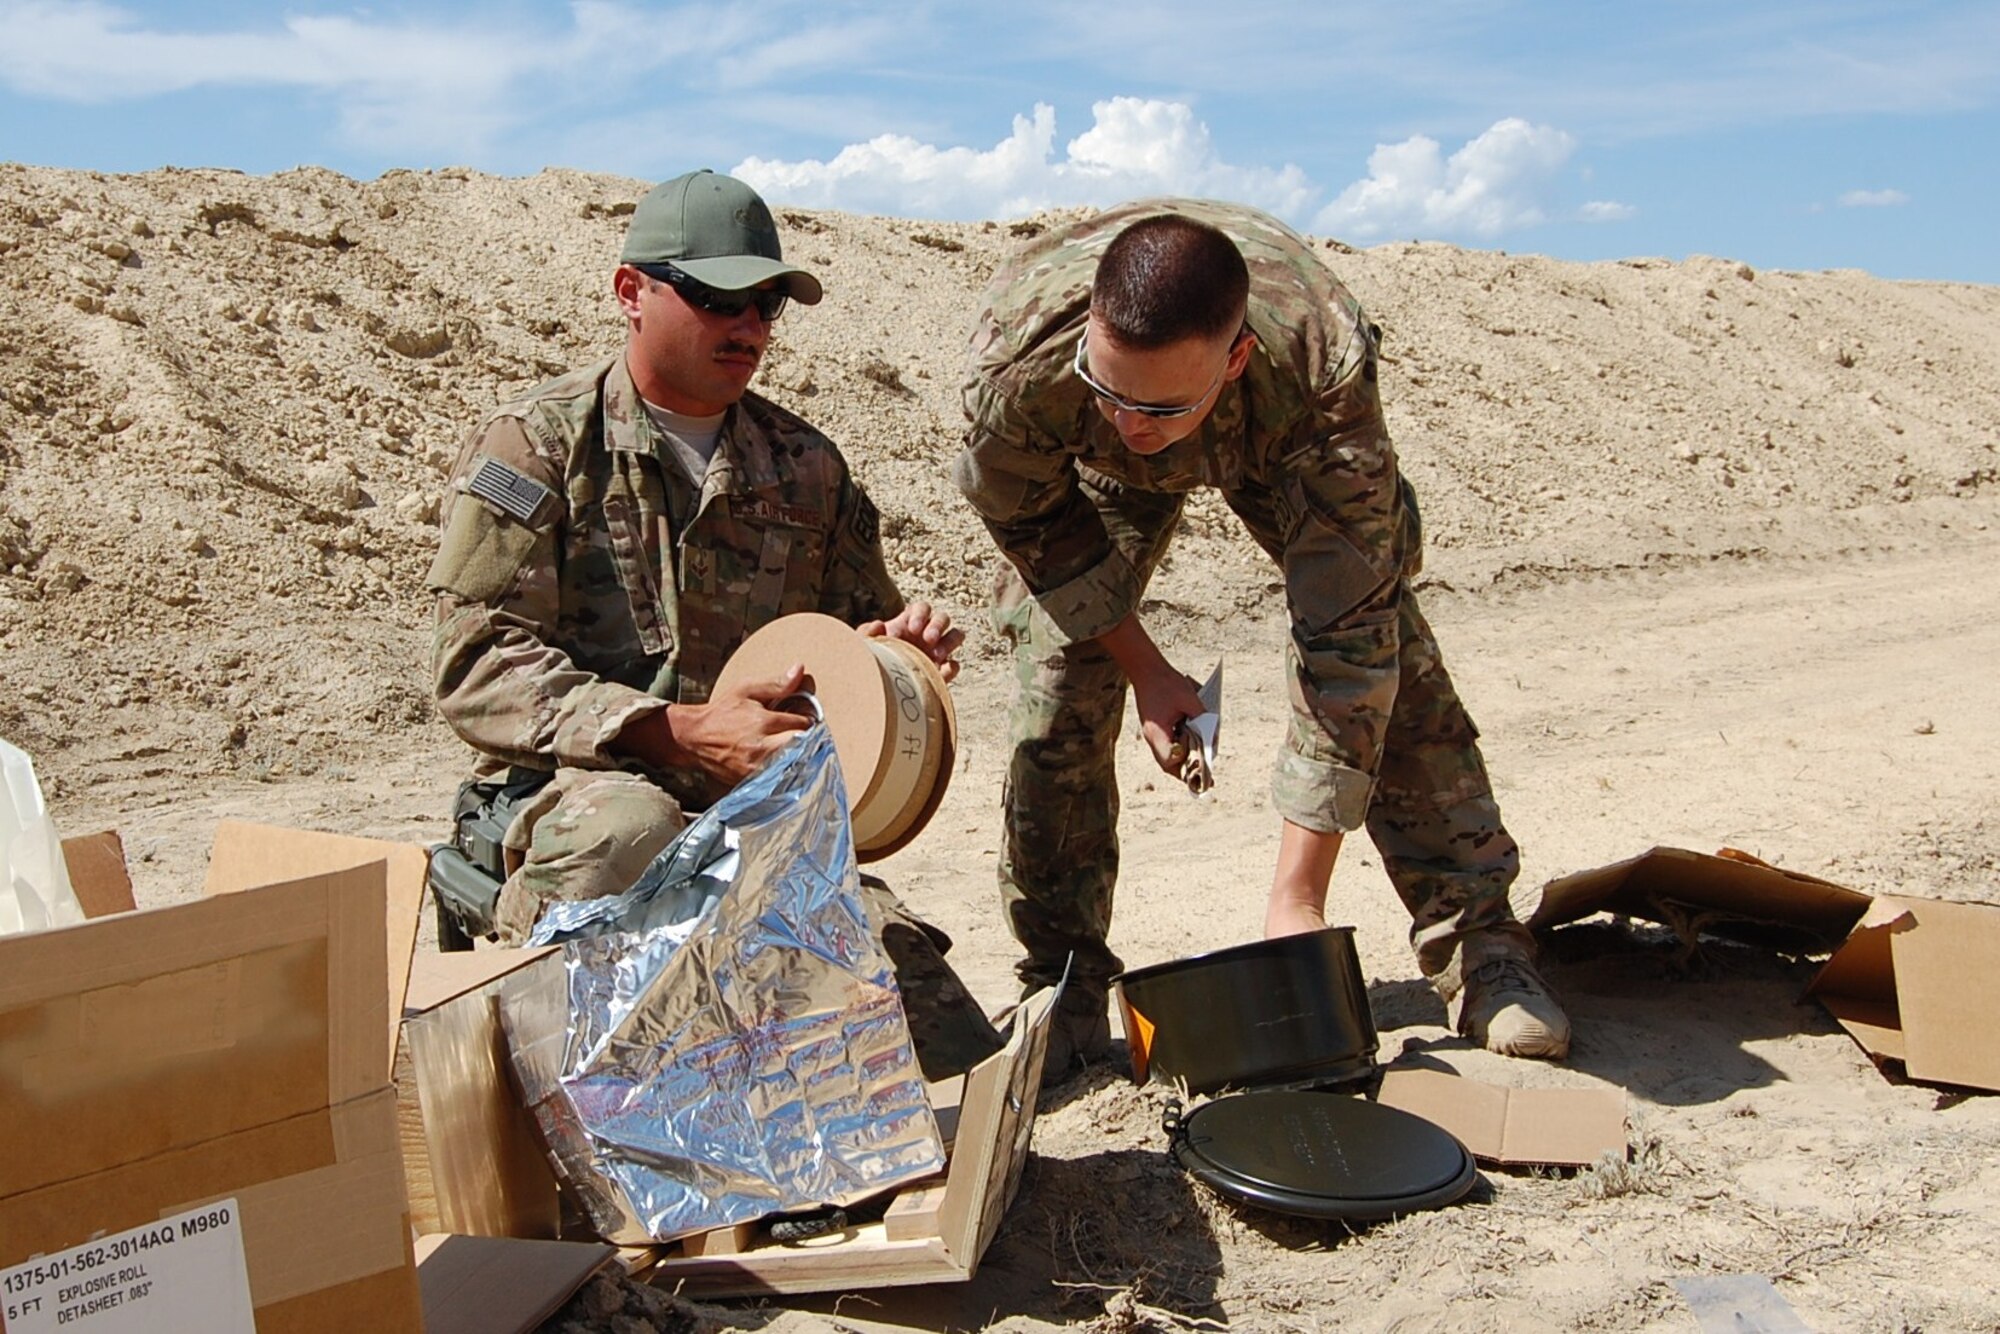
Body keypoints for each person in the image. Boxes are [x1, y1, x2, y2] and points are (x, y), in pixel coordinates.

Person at [954, 198, 1570, 1076]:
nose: (1133, 425)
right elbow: (1039, 529)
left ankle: (1479, 946)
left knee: (1390, 651)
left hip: (1274, 434)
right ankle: (1063, 980)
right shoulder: (1019, 370)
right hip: (1094, 456)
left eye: (1156, 408)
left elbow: (1345, 643)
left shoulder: (1318, 375)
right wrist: (1149, 672)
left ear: (1233, 358)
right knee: (1059, 676)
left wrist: (1297, 905)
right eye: (1111, 390)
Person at [427, 168, 1001, 1079]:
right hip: (571, 796)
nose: (750, 328)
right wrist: (677, 731)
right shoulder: (537, 446)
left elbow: (850, 635)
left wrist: (895, 662)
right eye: (719, 297)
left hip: (744, 813)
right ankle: (526, 992)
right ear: (631, 291)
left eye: (769, 303)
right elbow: (476, 666)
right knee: (631, 834)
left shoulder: (807, 467)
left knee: (934, 1051)